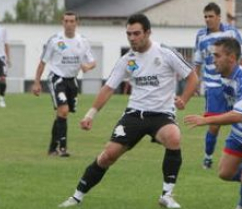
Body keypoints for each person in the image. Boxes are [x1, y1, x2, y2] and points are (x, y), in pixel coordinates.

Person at [58, 13, 198, 208]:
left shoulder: (165, 53)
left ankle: (167, 195)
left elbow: (192, 77)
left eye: (136, 33)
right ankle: (76, 196)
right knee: (108, 155)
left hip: (161, 115)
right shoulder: (127, 59)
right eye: (129, 34)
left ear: (148, 33)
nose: (132, 38)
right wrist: (90, 114)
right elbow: (108, 88)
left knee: (174, 137)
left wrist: (184, 99)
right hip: (134, 114)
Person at [185, 38, 242, 209]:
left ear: (231, 57)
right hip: (241, 131)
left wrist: (205, 120)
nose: (213, 60)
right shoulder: (224, 76)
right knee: (225, 173)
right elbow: (229, 108)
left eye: (217, 55)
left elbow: (238, 115)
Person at [32, 11, 96, 157]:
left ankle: (52, 148)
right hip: (57, 78)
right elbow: (42, 62)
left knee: (62, 114)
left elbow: (92, 61)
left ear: (76, 23)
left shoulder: (83, 41)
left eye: (72, 21)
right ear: (62, 22)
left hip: (72, 80)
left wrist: (88, 67)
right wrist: (36, 82)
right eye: (66, 21)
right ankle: (62, 148)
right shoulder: (55, 40)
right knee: (64, 110)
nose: (69, 24)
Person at [194, 2, 242, 169]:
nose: (208, 19)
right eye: (205, 16)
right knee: (214, 125)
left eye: (211, 16)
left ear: (219, 17)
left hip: (232, 84)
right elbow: (198, 61)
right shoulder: (201, 35)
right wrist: (196, 80)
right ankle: (208, 157)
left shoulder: (231, 32)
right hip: (213, 85)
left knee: (240, 120)